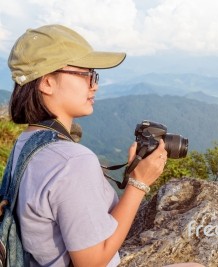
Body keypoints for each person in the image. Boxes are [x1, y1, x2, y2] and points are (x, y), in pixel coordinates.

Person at [7, 24, 204, 267]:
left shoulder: (25, 144)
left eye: (94, 75)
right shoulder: (72, 161)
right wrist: (138, 183)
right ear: (47, 83)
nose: (94, 85)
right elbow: (92, 262)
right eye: (85, 74)